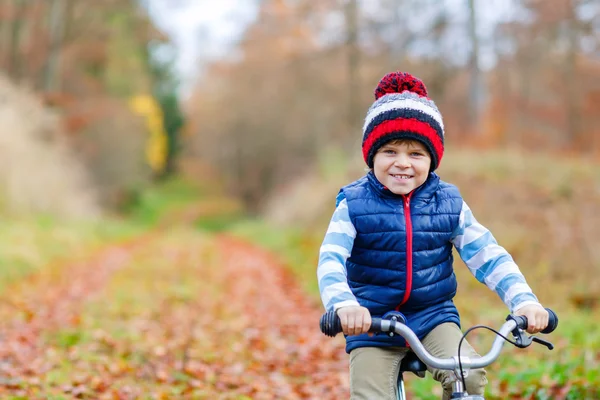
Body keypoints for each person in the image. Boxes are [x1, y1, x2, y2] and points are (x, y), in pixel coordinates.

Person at [316, 71, 549, 400]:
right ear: (372, 155)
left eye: (415, 154)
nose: (402, 163)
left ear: (432, 159)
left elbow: (488, 255)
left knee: (467, 375)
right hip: (372, 323)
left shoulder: (449, 203)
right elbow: (331, 258)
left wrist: (524, 301)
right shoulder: (353, 204)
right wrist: (344, 306)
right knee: (370, 395)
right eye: (390, 151)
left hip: (432, 317)